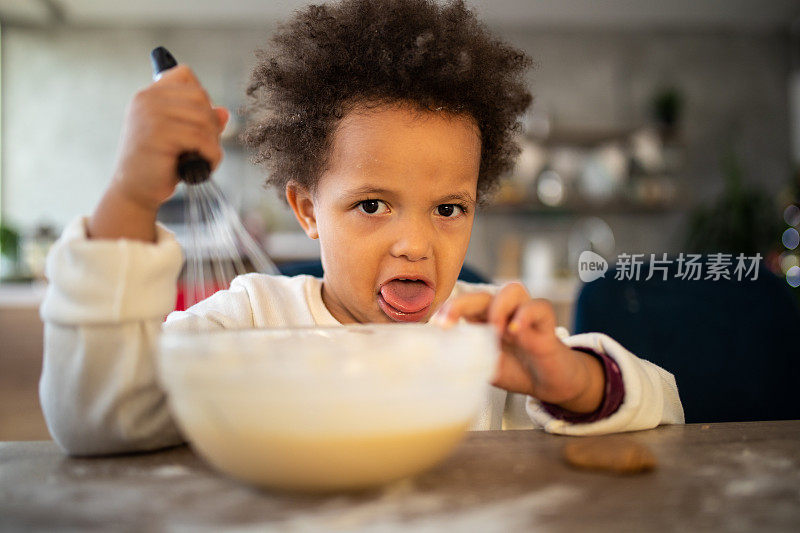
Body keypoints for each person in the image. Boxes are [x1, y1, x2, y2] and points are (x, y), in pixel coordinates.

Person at [39, 0, 684, 456]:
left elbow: (666, 403)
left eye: (448, 208)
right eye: (373, 205)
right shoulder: (253, 321)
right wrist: (128, 198)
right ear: (307, 209)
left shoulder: (484, 342)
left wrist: (573, 381)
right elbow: (100, 418)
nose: (416, 243)